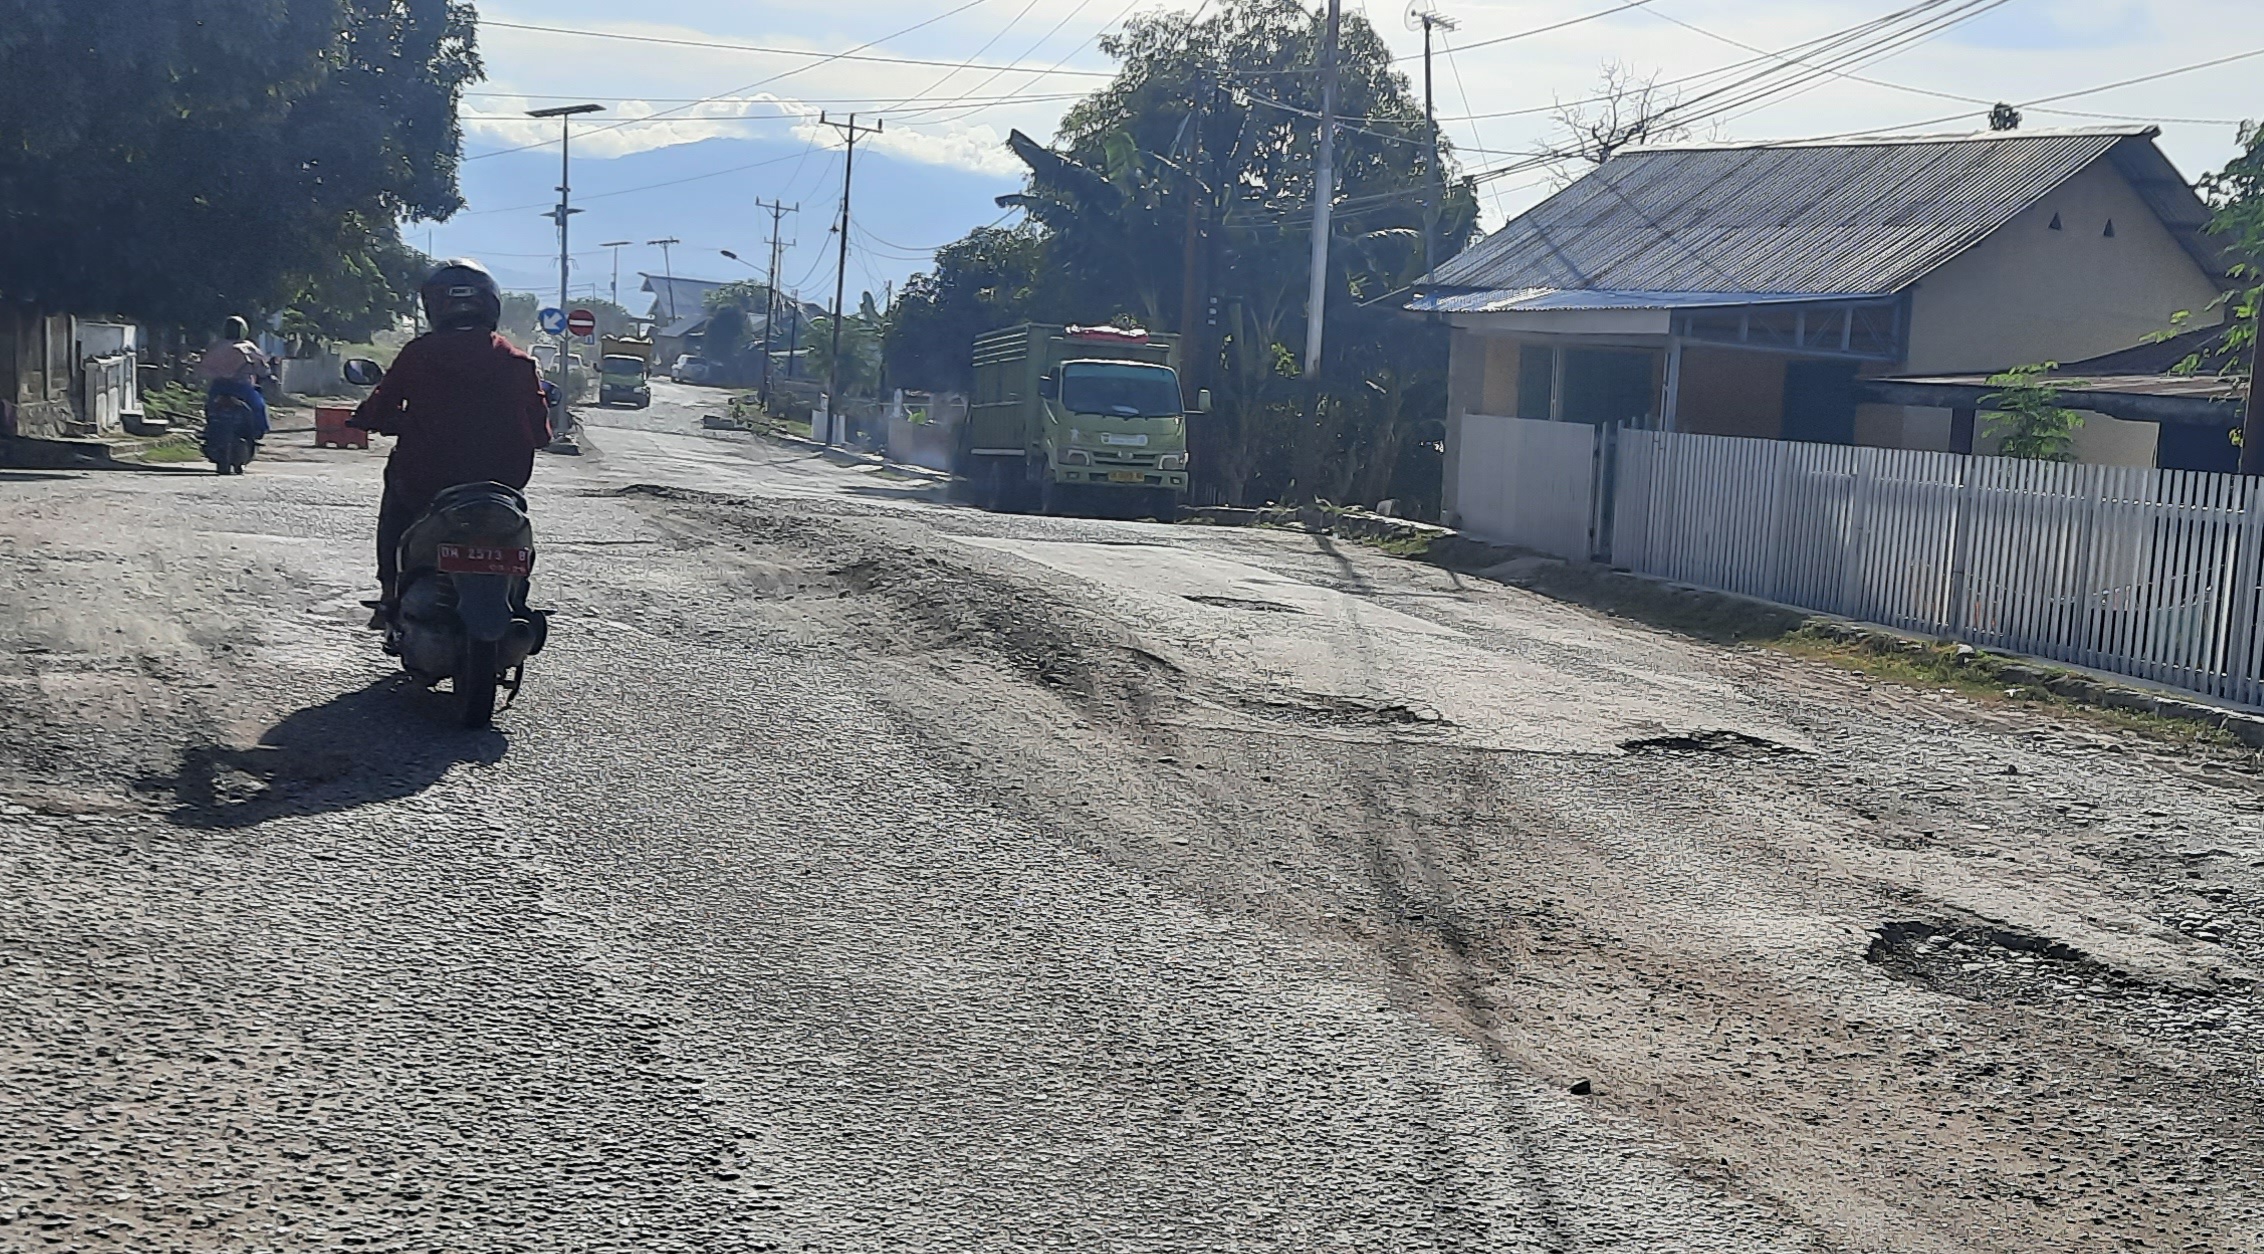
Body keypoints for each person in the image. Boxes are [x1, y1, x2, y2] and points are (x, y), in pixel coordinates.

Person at [349, 259, 552, 625]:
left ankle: (390, 592)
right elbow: (541, 434)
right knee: (515, 528)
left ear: (433, 306)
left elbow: (380, 404)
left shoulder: (418, 353)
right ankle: (516, 595)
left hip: (424, 482)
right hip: (500, 484)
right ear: (491, 304)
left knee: (395, 509)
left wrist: (368, 419)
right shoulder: (518, 362)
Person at [199, 316, 271, 463]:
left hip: (219, 387)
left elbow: (203, 369)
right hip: (242, 388)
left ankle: (209, 431)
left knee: (211, 409)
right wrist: (265, 374)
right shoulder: (248, 347)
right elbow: (263, 368)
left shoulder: (216, 346)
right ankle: (257, 433)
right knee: (258, 407)